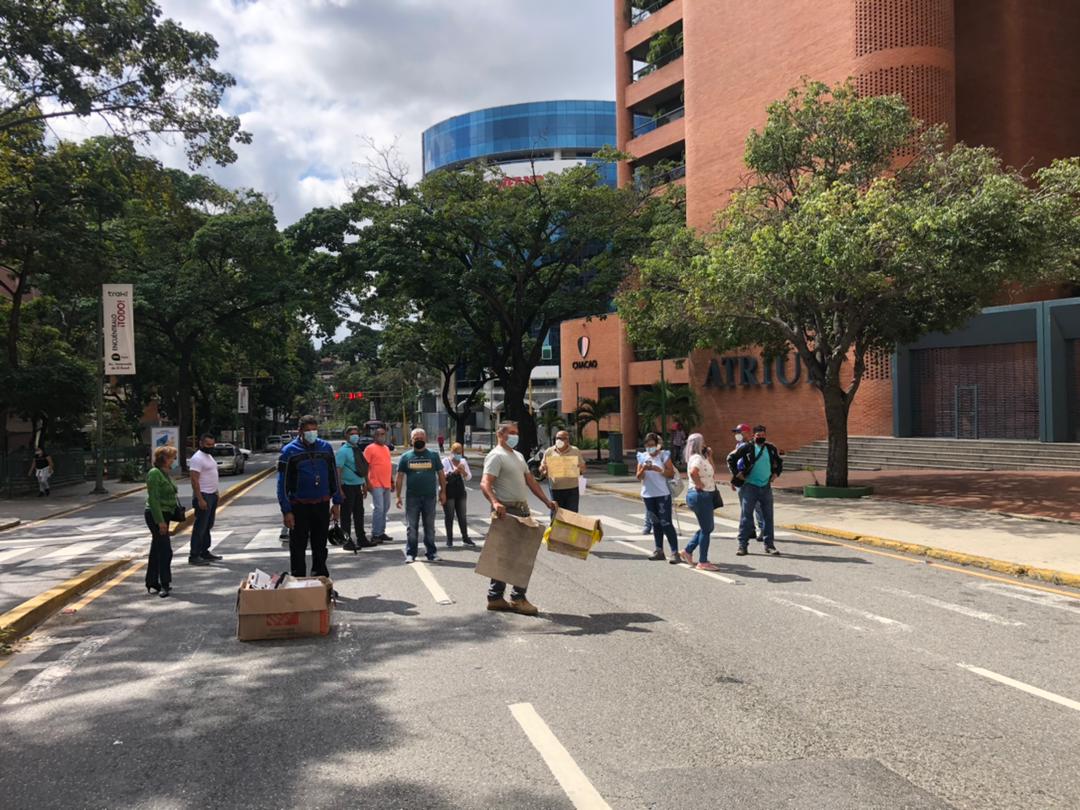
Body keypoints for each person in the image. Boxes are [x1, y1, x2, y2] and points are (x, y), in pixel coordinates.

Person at [481, 421, 556, 615]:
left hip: (522, 510)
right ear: (500, 434)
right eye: (511, 433)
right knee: (519, 556)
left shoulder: (518, 456)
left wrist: (546, 501)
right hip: (507, 511)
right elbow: (485, 483)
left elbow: (530, 480)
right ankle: (517, 598)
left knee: (510, 556)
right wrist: (496, 503)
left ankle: (496, 597)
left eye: (516, 432)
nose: (515, 436)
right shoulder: (496, 456)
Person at [277, 415, 342, 578]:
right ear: (300, 431)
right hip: (299, 506)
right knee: (298, 547)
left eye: (314, 430)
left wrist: (337, 502)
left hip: (322, 505)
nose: (311, 433)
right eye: (308, 430)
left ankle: (320, 582)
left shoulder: (326, 448)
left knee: (320, 546)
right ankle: (298, 582)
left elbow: (333, 475)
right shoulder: (289, 451)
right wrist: (287, 511)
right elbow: (282, 484)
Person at [728, 424, 783, 556]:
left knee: (768, 517)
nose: (761, 438)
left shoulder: (770, 448)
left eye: (763, 436)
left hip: (765, 487)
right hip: (749, 487)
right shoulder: (747, 448)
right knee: (746, 517)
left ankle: (769, 545)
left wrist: (776, 474)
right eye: (758, 436)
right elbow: (731, 458)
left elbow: (779, 462)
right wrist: (737, 474)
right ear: (753, 436)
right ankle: (742, 545)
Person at [395, 428, 446, 563]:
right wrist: (398, 496)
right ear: (411, 440)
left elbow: (441, 474)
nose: (419, 440)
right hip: (412, 497)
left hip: (430, 497)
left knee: (429, 526)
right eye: (416, 438)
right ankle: (411, 553)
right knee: (412, 527)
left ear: (426, 439)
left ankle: (432, 553)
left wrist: (443, 492)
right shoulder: (405, 457)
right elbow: (399, 477)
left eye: (421, 438)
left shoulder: (434, 455)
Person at [636, 432, 680, 563]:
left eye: (652, 445)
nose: (650, 448)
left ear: (657, 445)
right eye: (648, 445)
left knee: (666, 523)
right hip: (648, 494)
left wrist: (658, 469)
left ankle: (674, 552)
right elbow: (638, 476)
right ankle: (659, 550)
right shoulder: (642, 457)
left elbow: (671, 473)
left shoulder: (663, 456)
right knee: (655, 523)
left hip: (662, 494)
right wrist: (643, 469)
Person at [679, 433, 720, 571]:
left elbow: (713, 472)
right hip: (700, 495)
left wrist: (709, 456)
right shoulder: (696, 458)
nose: (705, 444)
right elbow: (693, 472)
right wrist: (699, 484)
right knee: (707, 529)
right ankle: (703, 561)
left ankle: (687, 551)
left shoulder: (702, 458)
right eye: (702, 442)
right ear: (698, 444)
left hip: (704, 495)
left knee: (706, 527)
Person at [145, 445, 179, 598]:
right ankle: (165, 583)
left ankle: (152, 580)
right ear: (164, 459)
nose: (174, 460)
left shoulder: (165, 473)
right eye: (172, 457)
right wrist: (160, 522)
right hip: (156, 515)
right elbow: (153, 499)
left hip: (165, 514)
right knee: (165, 550)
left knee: (157, 548)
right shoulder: (154, 474)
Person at [188, 433, 223, 566]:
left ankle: (204, 551)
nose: (210, 447)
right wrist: (200, 498)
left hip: (212, 495)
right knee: (200, 526)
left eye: (212, 445)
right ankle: (194, 555)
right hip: (203, 495)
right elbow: (194, 479)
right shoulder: (197, 458)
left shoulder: (208, 456)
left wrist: (216, 492)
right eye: (208, 444)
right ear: (201, 443)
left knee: (208, 525)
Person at [336, 425, 372, 551]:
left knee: (359, 513)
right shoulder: (343, 451)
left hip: (357, 485)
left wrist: (364, 484)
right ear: (346, 436)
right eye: (352, 433)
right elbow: (338, 470)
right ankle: (347, 541)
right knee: (346, 515)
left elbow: (361, 469)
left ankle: (361, 538)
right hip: (347, 487)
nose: (355, 436)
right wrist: (339, 489)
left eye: (356, 433)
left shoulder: (357, 449)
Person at [728, 422, 765, 542]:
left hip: (752, 479)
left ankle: (763, 529)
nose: (737, 435)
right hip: (741, 479)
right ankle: (750, 530)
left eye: (739, 432)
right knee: (745, 507)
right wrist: (734, 480)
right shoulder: (738, 445)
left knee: (757, 505)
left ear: (747, 433)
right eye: (736, 432)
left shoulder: (753, 445)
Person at [540, 429, 586, 515]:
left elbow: (583, 468)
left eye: (562, 438)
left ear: (567, 440)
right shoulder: (549, 451)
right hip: (555, 489)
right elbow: (542, 467)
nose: (559, 440)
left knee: (572, 514)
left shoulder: (575, 451)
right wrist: (543, 469)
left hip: (572, 489)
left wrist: (578, 468)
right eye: (557, 438)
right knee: (556, 514)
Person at [364, 426, 394, 544]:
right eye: (379, 434)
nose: (382, 436)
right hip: (375, 483)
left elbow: (388, 466)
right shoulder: (369, 448)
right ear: (374, 436)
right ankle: (375, 534)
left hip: (386, 482)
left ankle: (381, 532)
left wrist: (391, 480)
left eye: (383, 434)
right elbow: (365, 467)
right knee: (379, 508)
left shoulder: (386, 448)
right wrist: (366, 483)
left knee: (385, 507)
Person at [442, 442, 474, 547]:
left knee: (462, 516)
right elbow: (442, 477)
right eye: (456, 452)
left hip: (460, 491)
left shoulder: (463, 461)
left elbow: (468, 477)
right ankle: (449, 539)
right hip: (449, 491)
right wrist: (454, 472)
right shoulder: (445, 462)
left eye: (460, 452)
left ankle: (465, 537)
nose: (458, 454)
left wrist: (463, 472)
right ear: (452, 451)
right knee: (449, 516)